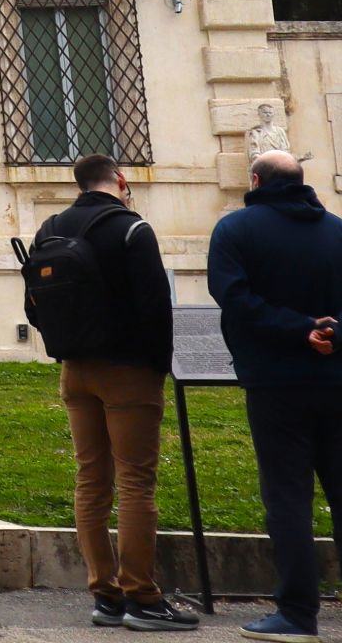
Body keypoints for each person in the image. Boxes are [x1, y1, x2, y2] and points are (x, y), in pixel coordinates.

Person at [28, 152, 189, 631]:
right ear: (120, 179)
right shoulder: (132, 229)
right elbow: (156, 306)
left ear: (78, 184)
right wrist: (159, 367)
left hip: (75, 370)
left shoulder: (50, 228)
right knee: (137, 481)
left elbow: (35, 306)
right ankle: (142, 595)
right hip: (129, 370)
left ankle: (105, 595)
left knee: (90, 480)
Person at [209, 149, 342, 639]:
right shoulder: (337, 229)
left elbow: (234, 298)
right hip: (337, 379)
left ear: (256, 179)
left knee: (287, 499)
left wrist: (296, 330)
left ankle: (297, 614)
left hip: (275, 382)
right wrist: (331, 333)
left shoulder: (235, 230)